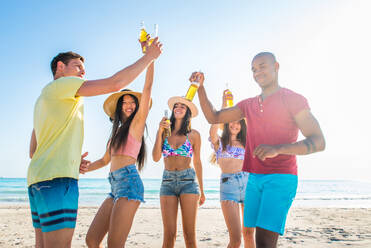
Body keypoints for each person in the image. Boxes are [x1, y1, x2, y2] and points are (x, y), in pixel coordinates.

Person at [28, 37, 162, 248]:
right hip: (66, 180)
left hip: (39, 179)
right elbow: (115, 84)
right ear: (60, 68)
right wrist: (149, 56)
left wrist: (71, 161)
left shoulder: (43, 100)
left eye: (84, 68)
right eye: (78, 66)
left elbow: (33, 151)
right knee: (91, 240)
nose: (83, 72)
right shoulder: (64, 87)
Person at [194, 52, 326, 248]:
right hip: (253, 179)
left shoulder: (293, 100)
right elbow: (214, 117)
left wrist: (279, 149)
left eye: (262, 66)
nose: (257, 72)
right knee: (253, 239)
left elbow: (318, 141)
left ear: (276, 66)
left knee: (264, 242)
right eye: (254, 69)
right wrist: (201, 88)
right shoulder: (248, 105)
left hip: (281, 177)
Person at [152, 95, 206, 248]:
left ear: (187, 111)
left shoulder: (194, 135)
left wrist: (202, 190)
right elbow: (156, 157)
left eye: (183, 106)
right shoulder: (164, 133)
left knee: (189, 235)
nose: (179, 108)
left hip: (188, 182)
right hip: (167, 182)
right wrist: (159, 131)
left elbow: (197, 162)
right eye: (176, 106)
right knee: (169, 235)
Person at [209, 90, 255, 248]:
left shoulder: (247, 142)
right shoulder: (220, 143)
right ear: (227, 124)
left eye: (238, 122)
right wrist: (224, 107)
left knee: (249, 235)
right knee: (235, 240)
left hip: (249, 184)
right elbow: (212, 130)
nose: (235, 124)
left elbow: (254, 125)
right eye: (232, 121)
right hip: (229, 186)